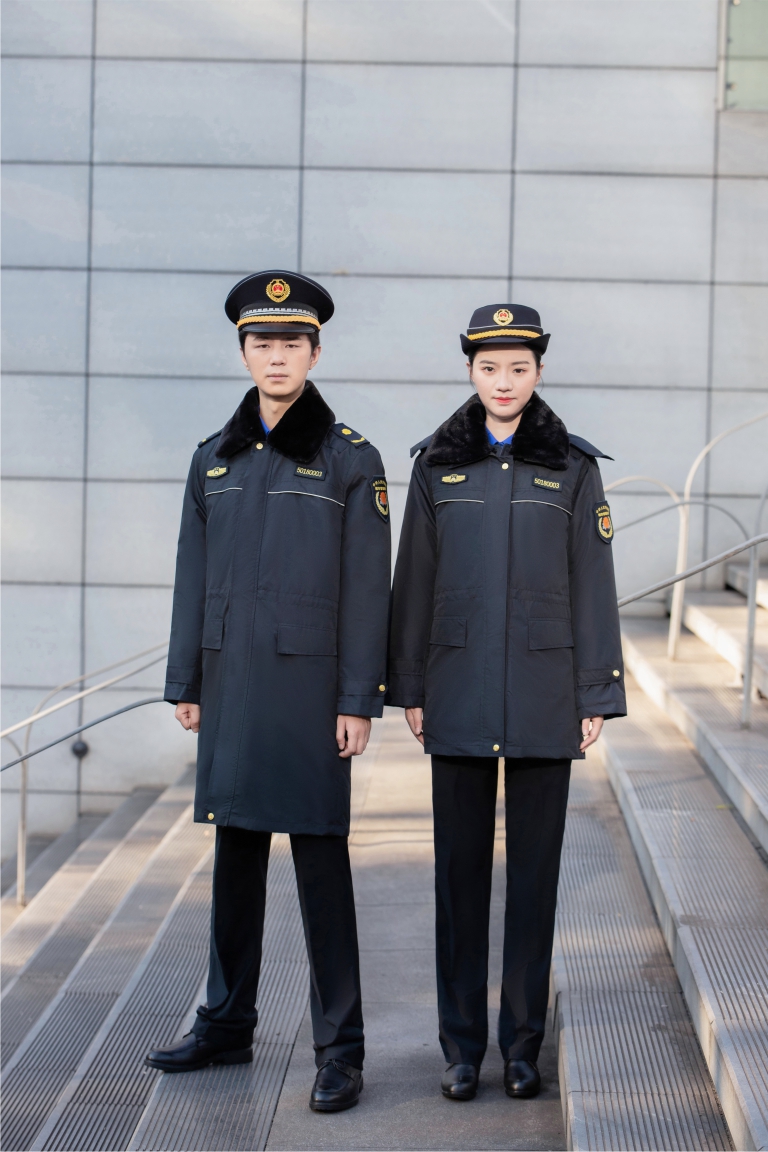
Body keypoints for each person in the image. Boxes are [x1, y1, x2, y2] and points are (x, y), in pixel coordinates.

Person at [146, 271, 391, 1113]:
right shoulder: (211, 458)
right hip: (233, 686)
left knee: (321, 862)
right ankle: (225, 1023)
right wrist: (187, 678)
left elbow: (368, 591)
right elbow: (192, 575)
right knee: (236, 856)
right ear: (244, 352)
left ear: (315, 352)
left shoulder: (352, 459)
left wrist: (358, 699)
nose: (276, 355)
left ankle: (340, 1049)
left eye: (291, 342)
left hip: (312, 693)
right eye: (262, 342)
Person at [387, 304, 626, 1102]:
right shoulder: (436, 465)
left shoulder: (573, 467)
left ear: (539, 372)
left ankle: (523, 1047)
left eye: (518, 368)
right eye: (489, 368)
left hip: (543, 694)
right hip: (455, 691)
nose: (503, 382)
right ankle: (461, 1049)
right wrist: (409, 686)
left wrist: (595, 690)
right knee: (458, 882)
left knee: (534, 881)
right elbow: (414, 582)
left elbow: (593, 582)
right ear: (470, 371)